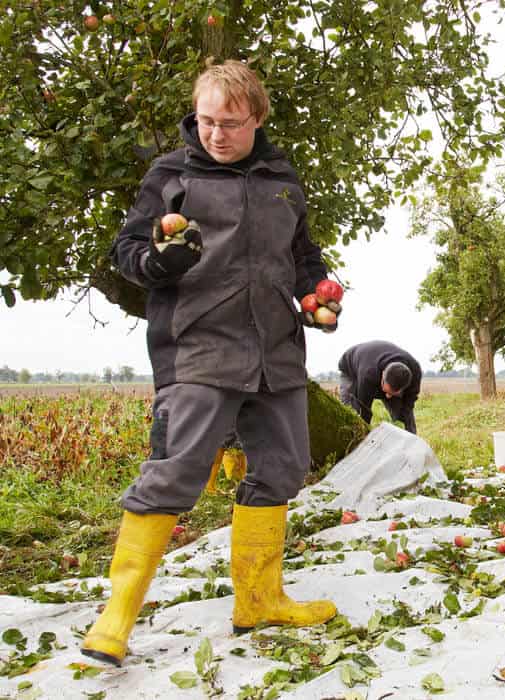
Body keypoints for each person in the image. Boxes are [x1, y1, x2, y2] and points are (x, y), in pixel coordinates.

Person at [83, 61, 341, 666]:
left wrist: (317, 296)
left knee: (281, 468)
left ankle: (259, 599)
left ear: (257, 118)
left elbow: (303, 256)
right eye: (205, 122)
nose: (215, 135)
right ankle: (115, 621)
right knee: (174, 472)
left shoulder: (282, 179)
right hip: (198, 347)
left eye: (230, 123)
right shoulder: (171, 175)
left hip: (276, 351)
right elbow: (128, 252)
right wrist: (160, 263)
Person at [338, 341, 421, 434]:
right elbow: (363, 409)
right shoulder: (368, 375)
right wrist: (364, 433)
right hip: (351, 370)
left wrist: (403, 419)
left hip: (376, 364)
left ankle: (410, 443)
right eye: (386, 391)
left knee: (405, 416)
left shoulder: (415, 372)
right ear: (382, 375)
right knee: (353, 413)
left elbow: (409, 402)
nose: (387, 396)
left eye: (392, 393)